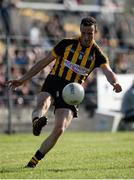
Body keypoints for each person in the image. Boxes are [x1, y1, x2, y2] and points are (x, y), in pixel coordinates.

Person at [7, 16, 122, 168]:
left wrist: (115, 82)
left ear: (96, 33)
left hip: (73, 92)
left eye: (90, 33)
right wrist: (23, 79)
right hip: (55, 80)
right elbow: (43, 62)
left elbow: (108, 71)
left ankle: (33, 162)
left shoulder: (97, 54)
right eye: (84, 33)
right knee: (43, 102)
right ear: (80, 31)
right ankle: (37, 122)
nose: (87, 37)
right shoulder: (66, 44)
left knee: (60, 129)